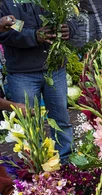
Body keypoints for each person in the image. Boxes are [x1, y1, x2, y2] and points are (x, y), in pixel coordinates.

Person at [0, 2, 76, 162]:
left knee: (61, 119)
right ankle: (39, 166)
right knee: (31, 125)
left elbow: (71, 17)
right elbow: (6, 29)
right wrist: (33, 35)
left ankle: (66, 162)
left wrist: (69, 28)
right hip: (22, 72)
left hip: (54, 68)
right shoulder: (6, 3)